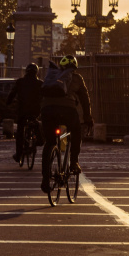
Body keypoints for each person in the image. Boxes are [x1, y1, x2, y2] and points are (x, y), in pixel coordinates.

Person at [40, 55, 93, 193]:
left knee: (50, 143)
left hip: (47, 110)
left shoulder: (51, 77)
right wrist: (88, 118)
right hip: (67, 111)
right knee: (76, 132)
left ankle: (45, 179)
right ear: (74, 68)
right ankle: (74, 162)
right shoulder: (77, 78)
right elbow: (85, 100)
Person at [6, 63, 43, 162]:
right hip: (35, 111)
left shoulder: (20, 82)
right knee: (35, 122)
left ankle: (19, 155)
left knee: (20, 132)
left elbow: (12, 94)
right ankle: (38, 139)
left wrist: (8, 102)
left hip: (22, 111)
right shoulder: (40, 83)